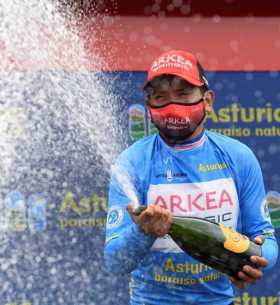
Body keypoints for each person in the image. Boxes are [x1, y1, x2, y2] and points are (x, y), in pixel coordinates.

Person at [104, 50, 279, 305]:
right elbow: (115, 261)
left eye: (183, 94)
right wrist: (143, 231)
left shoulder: (239, 156)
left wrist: (255, 258)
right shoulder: (131, 163)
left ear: (207, 100)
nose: (172, 106)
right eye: (161, 97)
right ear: (149, 108)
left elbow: (268, 241)